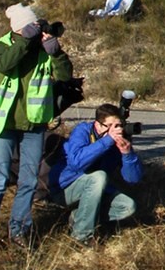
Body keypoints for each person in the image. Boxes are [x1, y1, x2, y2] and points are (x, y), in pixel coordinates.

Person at [0, 4, 72, 244]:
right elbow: (4, 65)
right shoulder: (2, 45)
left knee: (28, 181)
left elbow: (65, 77)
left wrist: (56, 52)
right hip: (3, 124)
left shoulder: (42, 51)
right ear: (19, 28)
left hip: (34, 125)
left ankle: (18, 231)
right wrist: (25, 41)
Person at [54, 103, 141, 243]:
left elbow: (133, 180)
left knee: (127, 206)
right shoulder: (83, 131)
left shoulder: (116, 143)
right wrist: (107, 141)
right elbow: (76, 162)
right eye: (110, 125)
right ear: (98, 124)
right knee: (99, 177)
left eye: (118, 125)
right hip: (65, 189)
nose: (116, 130)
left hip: (95, 191)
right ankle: (82, 236)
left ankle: (78, 217)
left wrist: (127, 154)